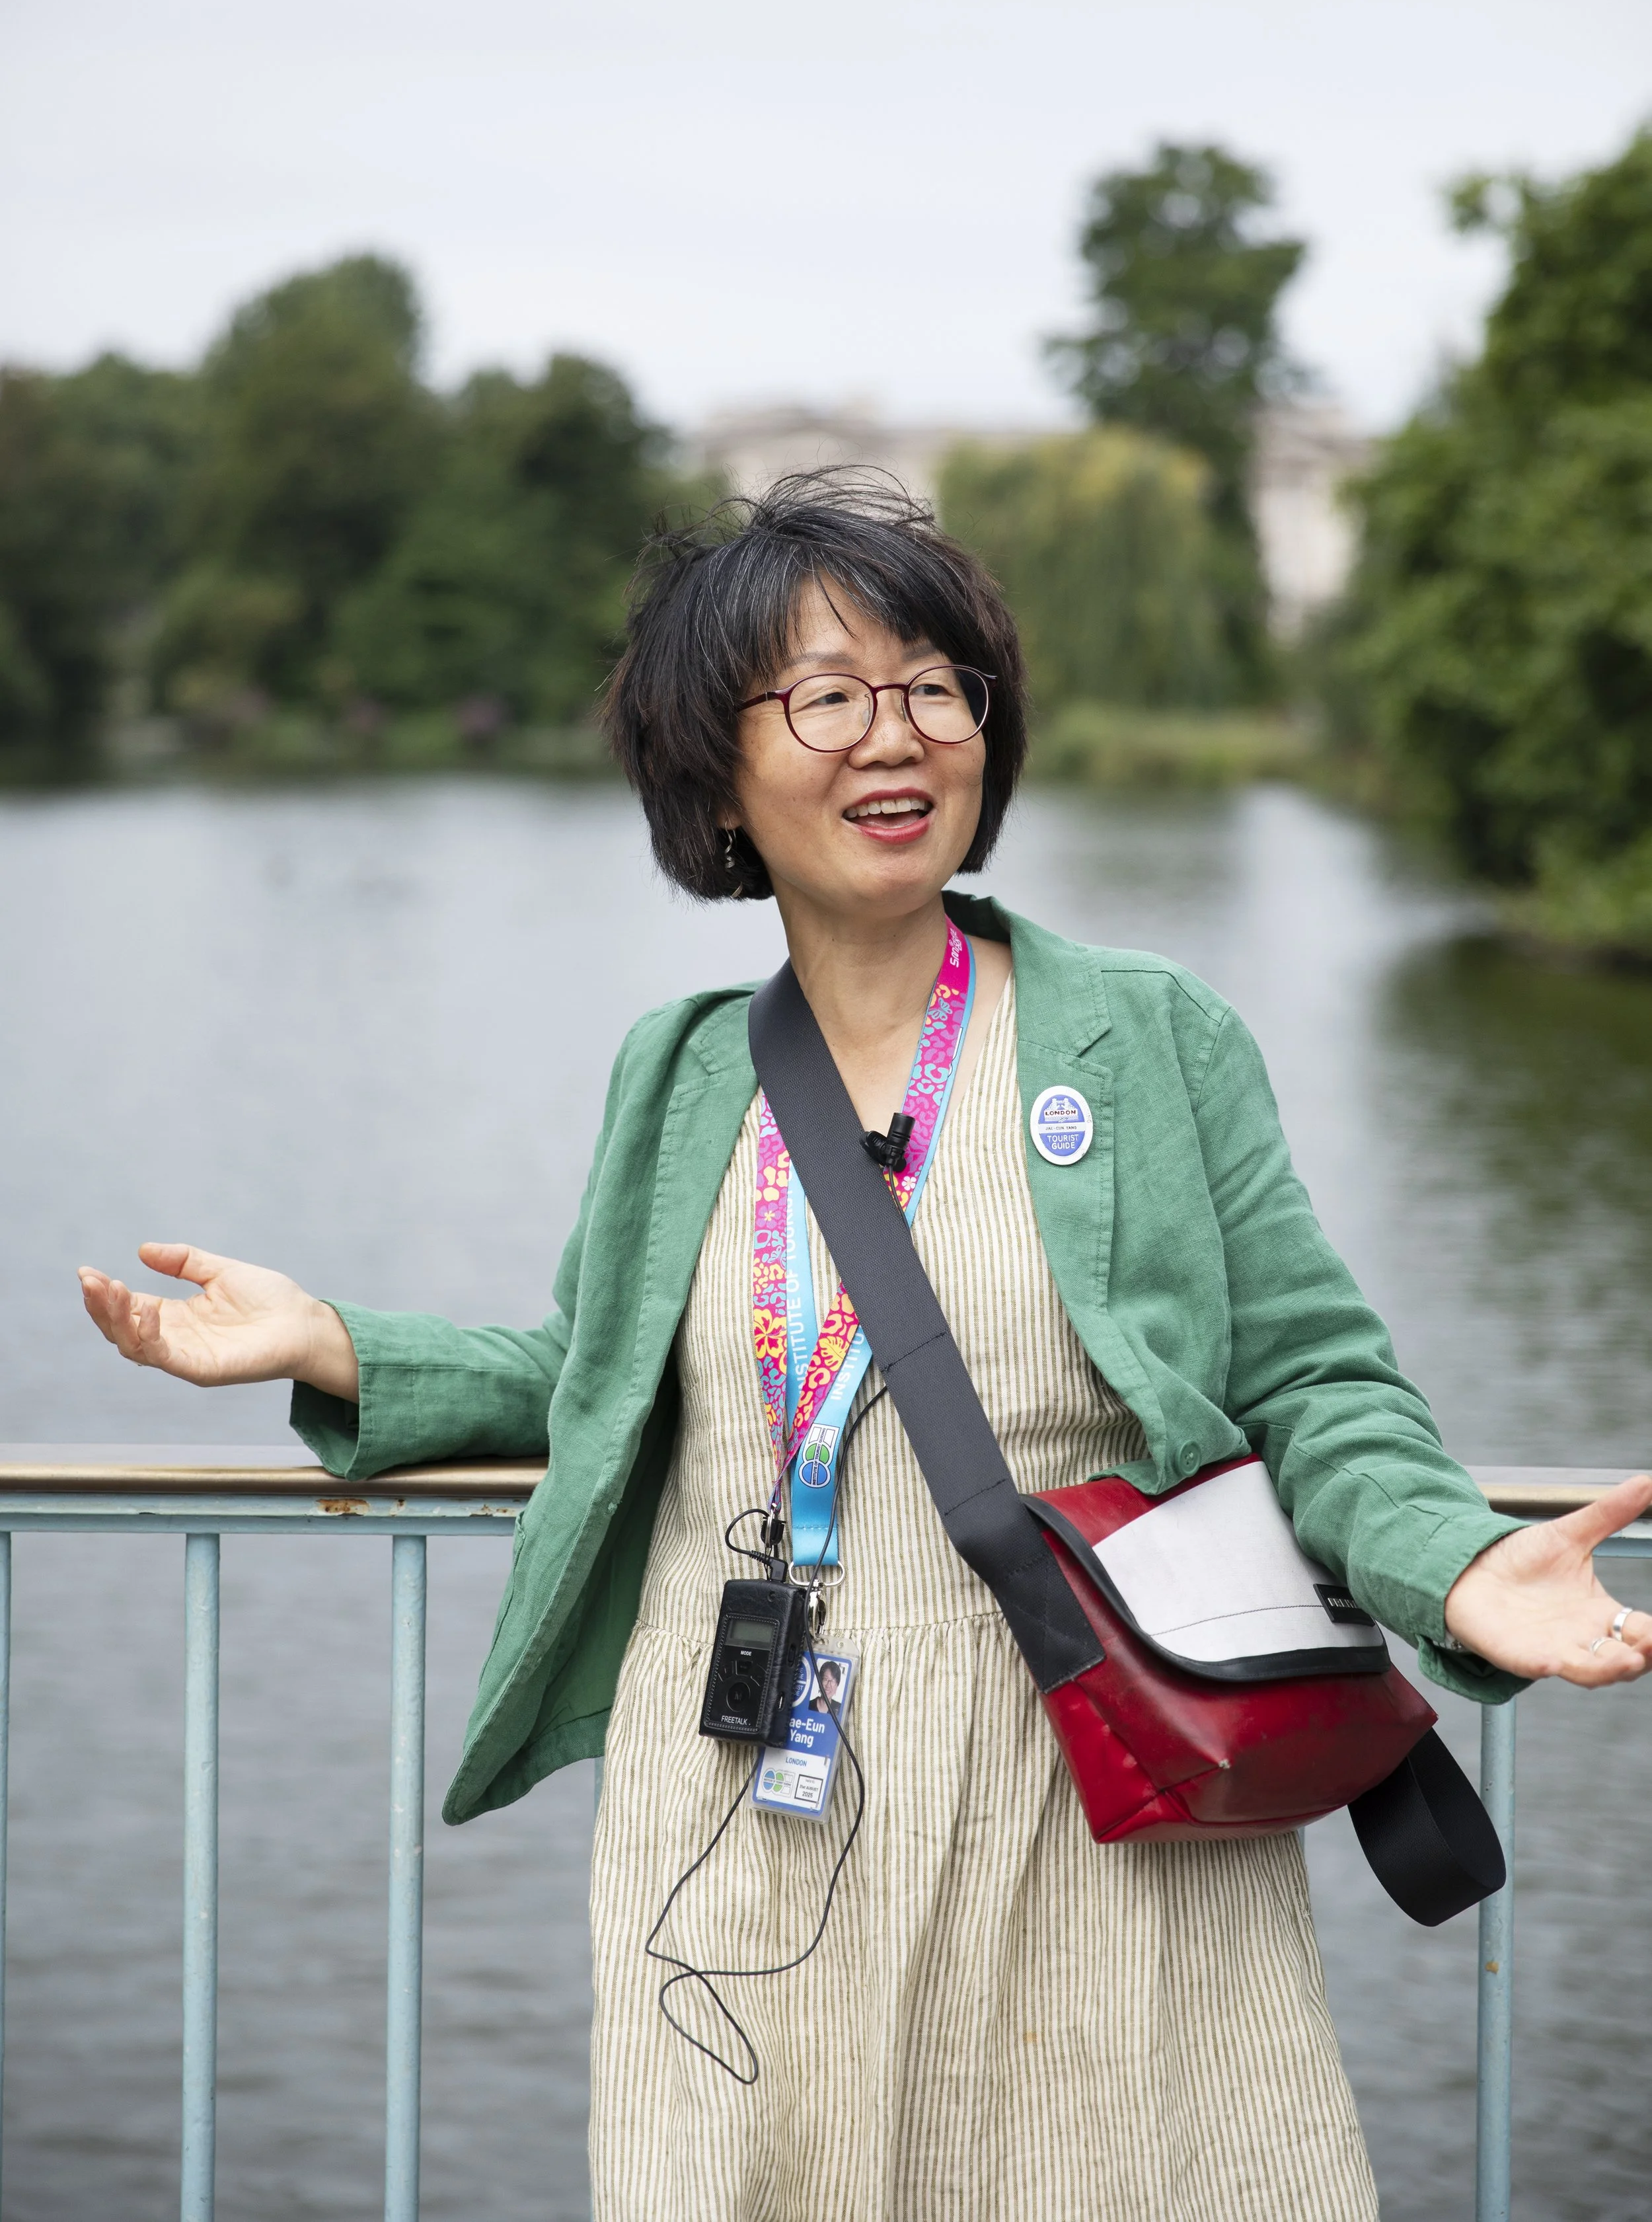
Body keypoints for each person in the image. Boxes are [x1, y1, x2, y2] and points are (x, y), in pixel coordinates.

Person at [80, 480, 1652, 2221]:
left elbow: (1310, 1382)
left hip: (1082, 1780)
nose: (891, 735)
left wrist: (1457, 1566)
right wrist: (341, 1348)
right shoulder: (678, 1074)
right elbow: (615, 1372)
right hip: (742, 1799)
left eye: (931, 684)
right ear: (718, 767)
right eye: (825, 694)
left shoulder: (1138, 1036)